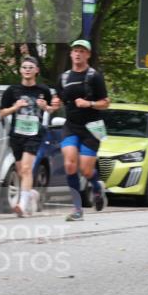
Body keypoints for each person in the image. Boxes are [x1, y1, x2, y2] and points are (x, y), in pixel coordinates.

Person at [55, 39, 109, 221]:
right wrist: (53, 104)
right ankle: (77, 208)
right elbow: (59, 100)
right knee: (70, 165)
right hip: (71, 126)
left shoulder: (94, 77)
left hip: (92, 128)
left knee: (86, 171)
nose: (78, 54)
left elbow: (105, 103)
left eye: (82, 51)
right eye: (75, 50)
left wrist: (89, 103)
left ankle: (96, 186)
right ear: (71, 54)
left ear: (88, 55)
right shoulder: (64, 78)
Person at [0, 56, 57, 217]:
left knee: (26, 168)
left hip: (34, 134)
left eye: (31, 67)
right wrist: (15, 107)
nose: (27, 69)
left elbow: (52, 109)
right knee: (21, 171)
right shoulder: (12, 91)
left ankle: (22, 206)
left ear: (36, 70)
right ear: (20, 70)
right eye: (24, 67)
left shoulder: (43, 90)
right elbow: (0, 113)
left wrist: (46, 107)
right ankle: (31, 194)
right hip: (17, 134)